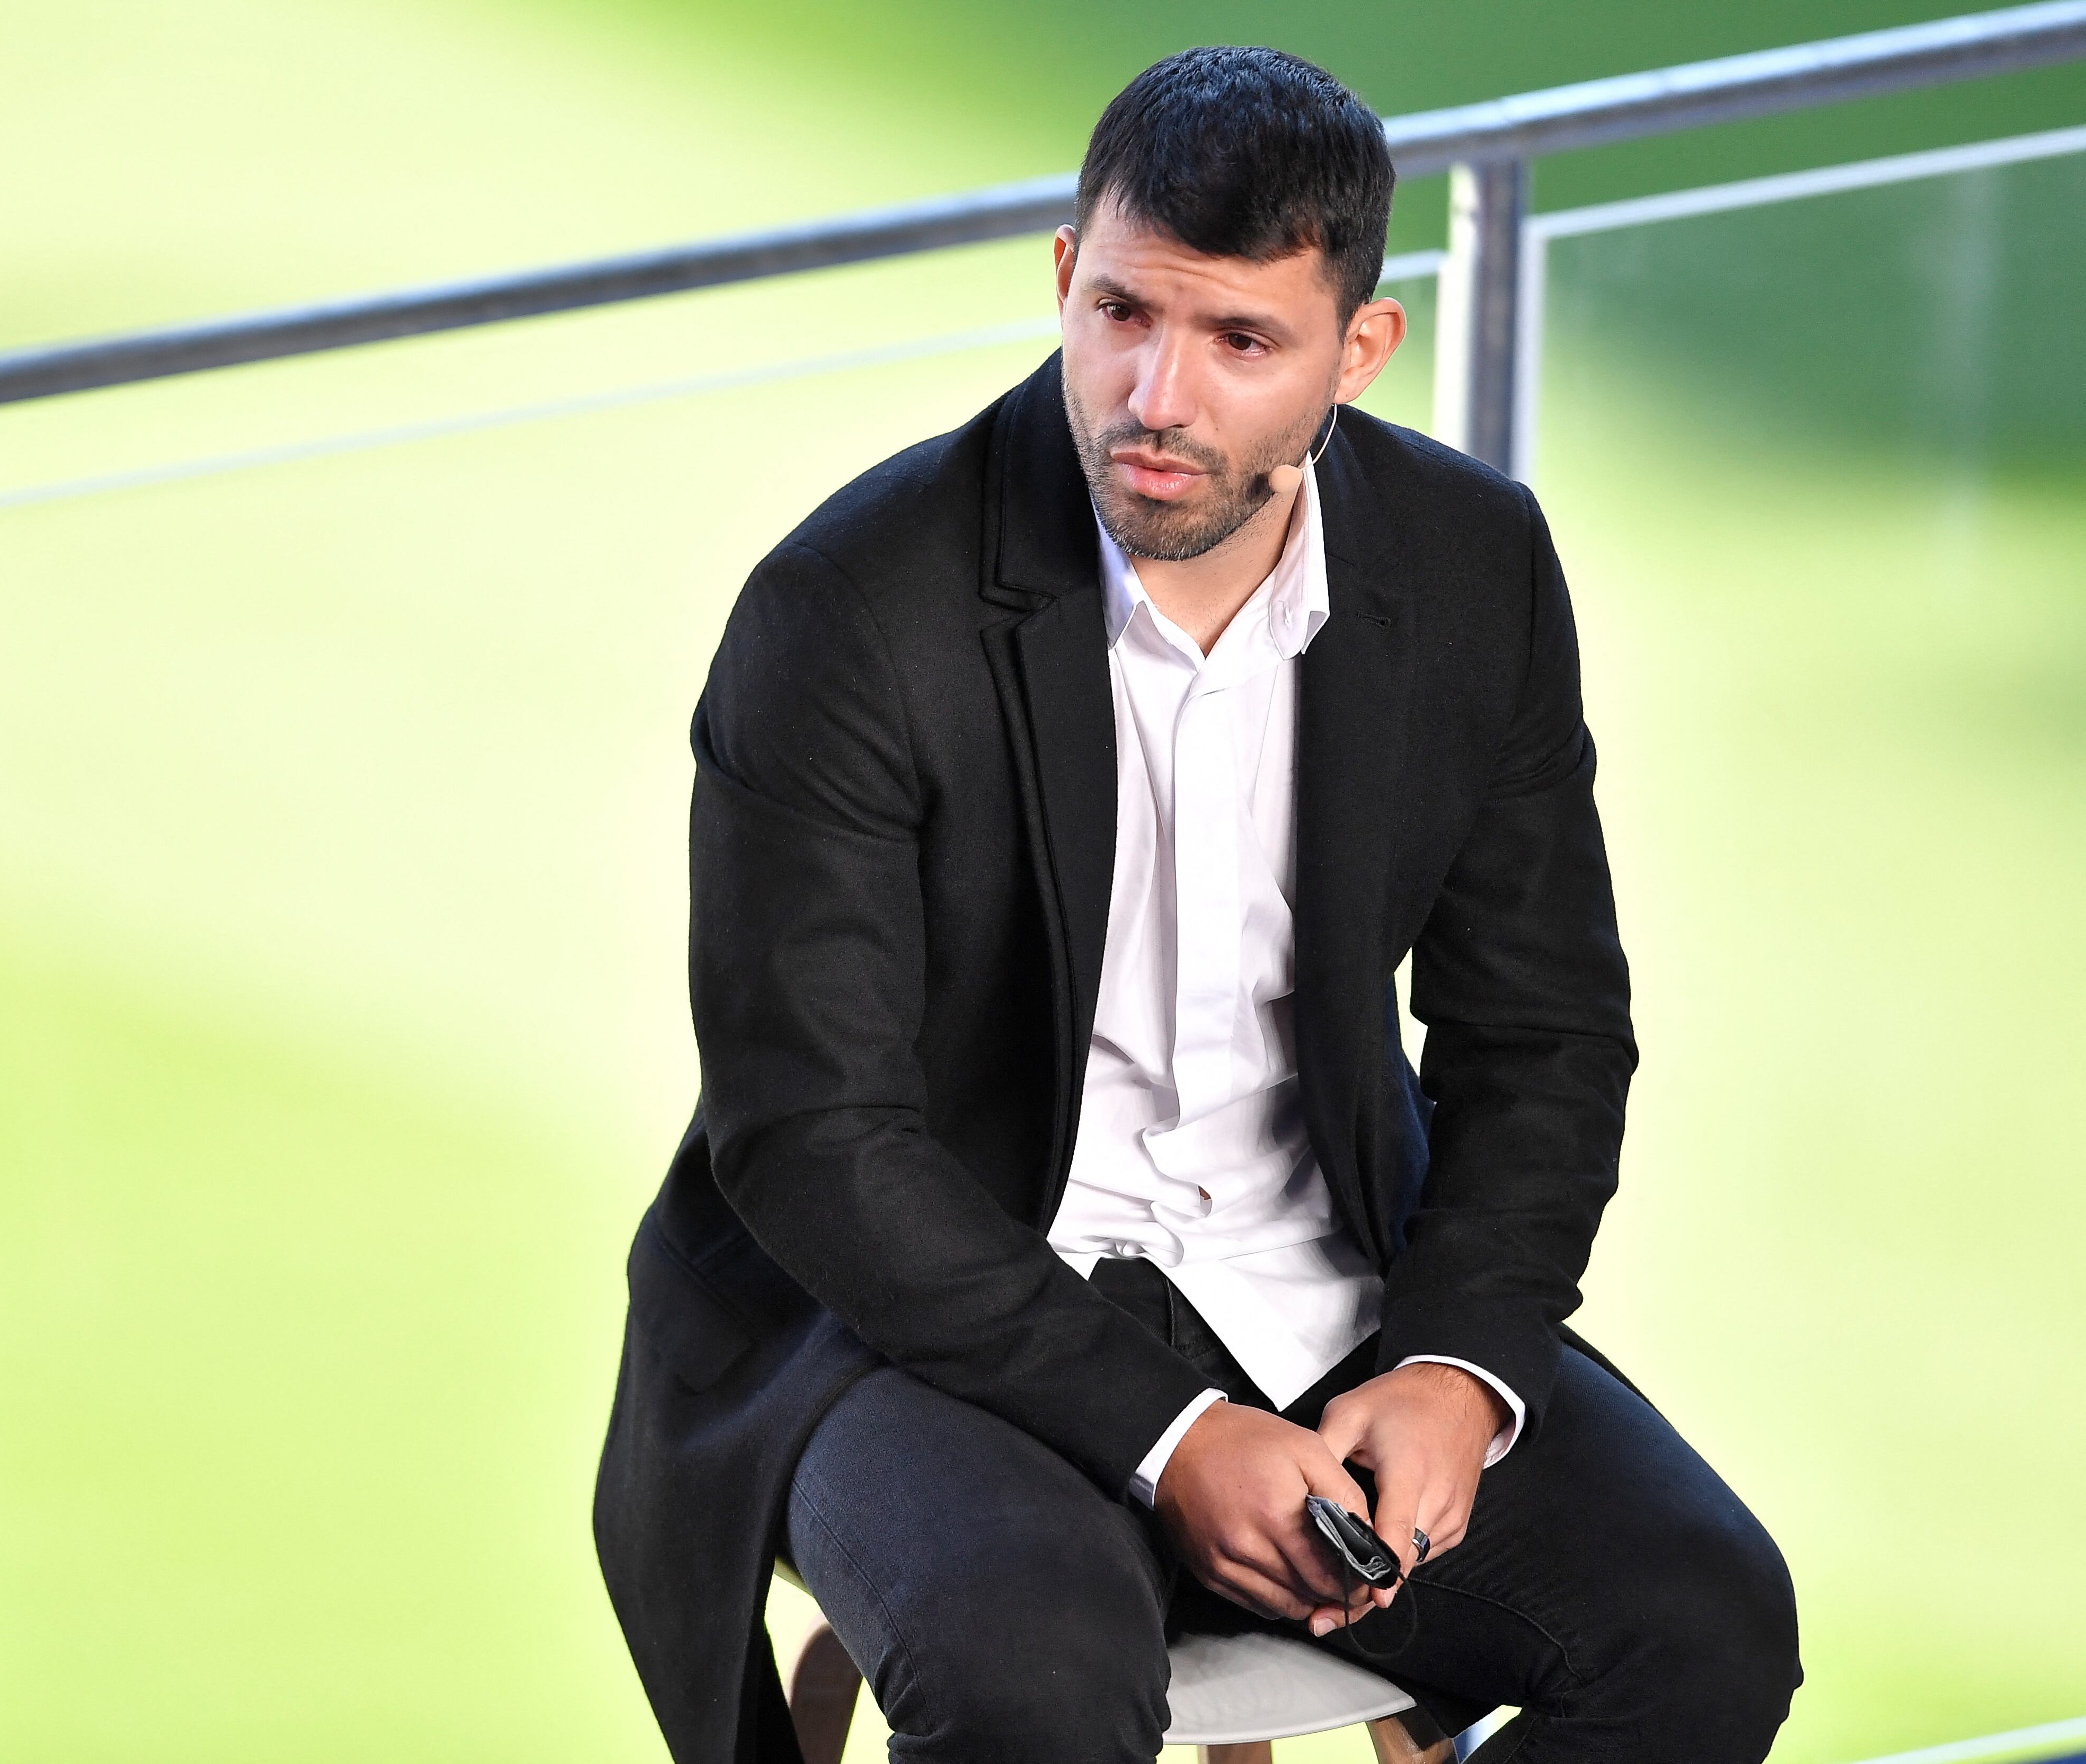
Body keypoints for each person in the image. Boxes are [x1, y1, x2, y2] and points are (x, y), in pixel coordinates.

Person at [595, 45, 1799, 1764]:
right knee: (1030, 1684)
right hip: (919, 1313)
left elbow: (1540, 1032)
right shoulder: (845, 609)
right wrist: (1171, 1432)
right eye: (1123, 314)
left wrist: (1461, 1361)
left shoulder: (1471, 568)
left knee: (1704, 1620)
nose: (1154, 395)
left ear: (1352, 354)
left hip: (1324, 1276)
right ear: (1064, 281)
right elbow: (813, 1137)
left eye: (1239, 342)